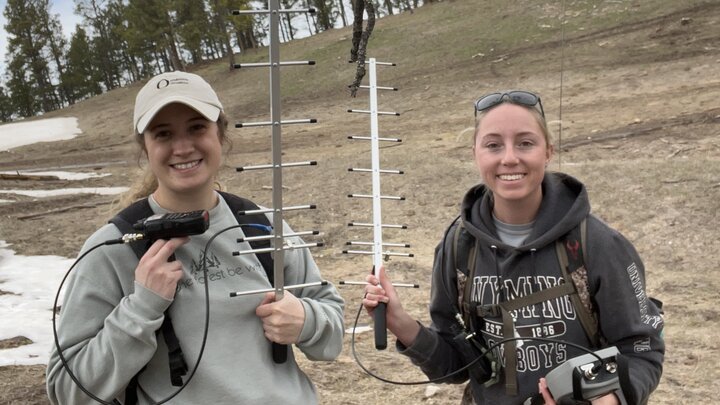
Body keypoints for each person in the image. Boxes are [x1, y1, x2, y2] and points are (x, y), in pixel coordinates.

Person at [47, 71, 345, 404]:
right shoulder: (114, 249)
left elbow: (331, 335)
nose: (183, 147)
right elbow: (67, 391)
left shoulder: (262, 226)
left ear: (220, 133)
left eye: (197, 127)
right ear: (144, 148)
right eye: (163, 134)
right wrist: (141, 309)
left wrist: (306, 321)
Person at [363, 90, 664, 404]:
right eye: (493, 145)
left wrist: (612, 399)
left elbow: (643, 349)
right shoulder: (457, 247)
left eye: (525, 143)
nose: (509, 158)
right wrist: (401, 323)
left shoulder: (597, 244)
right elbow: (456, 365)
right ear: (475, 154)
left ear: (548, 151)